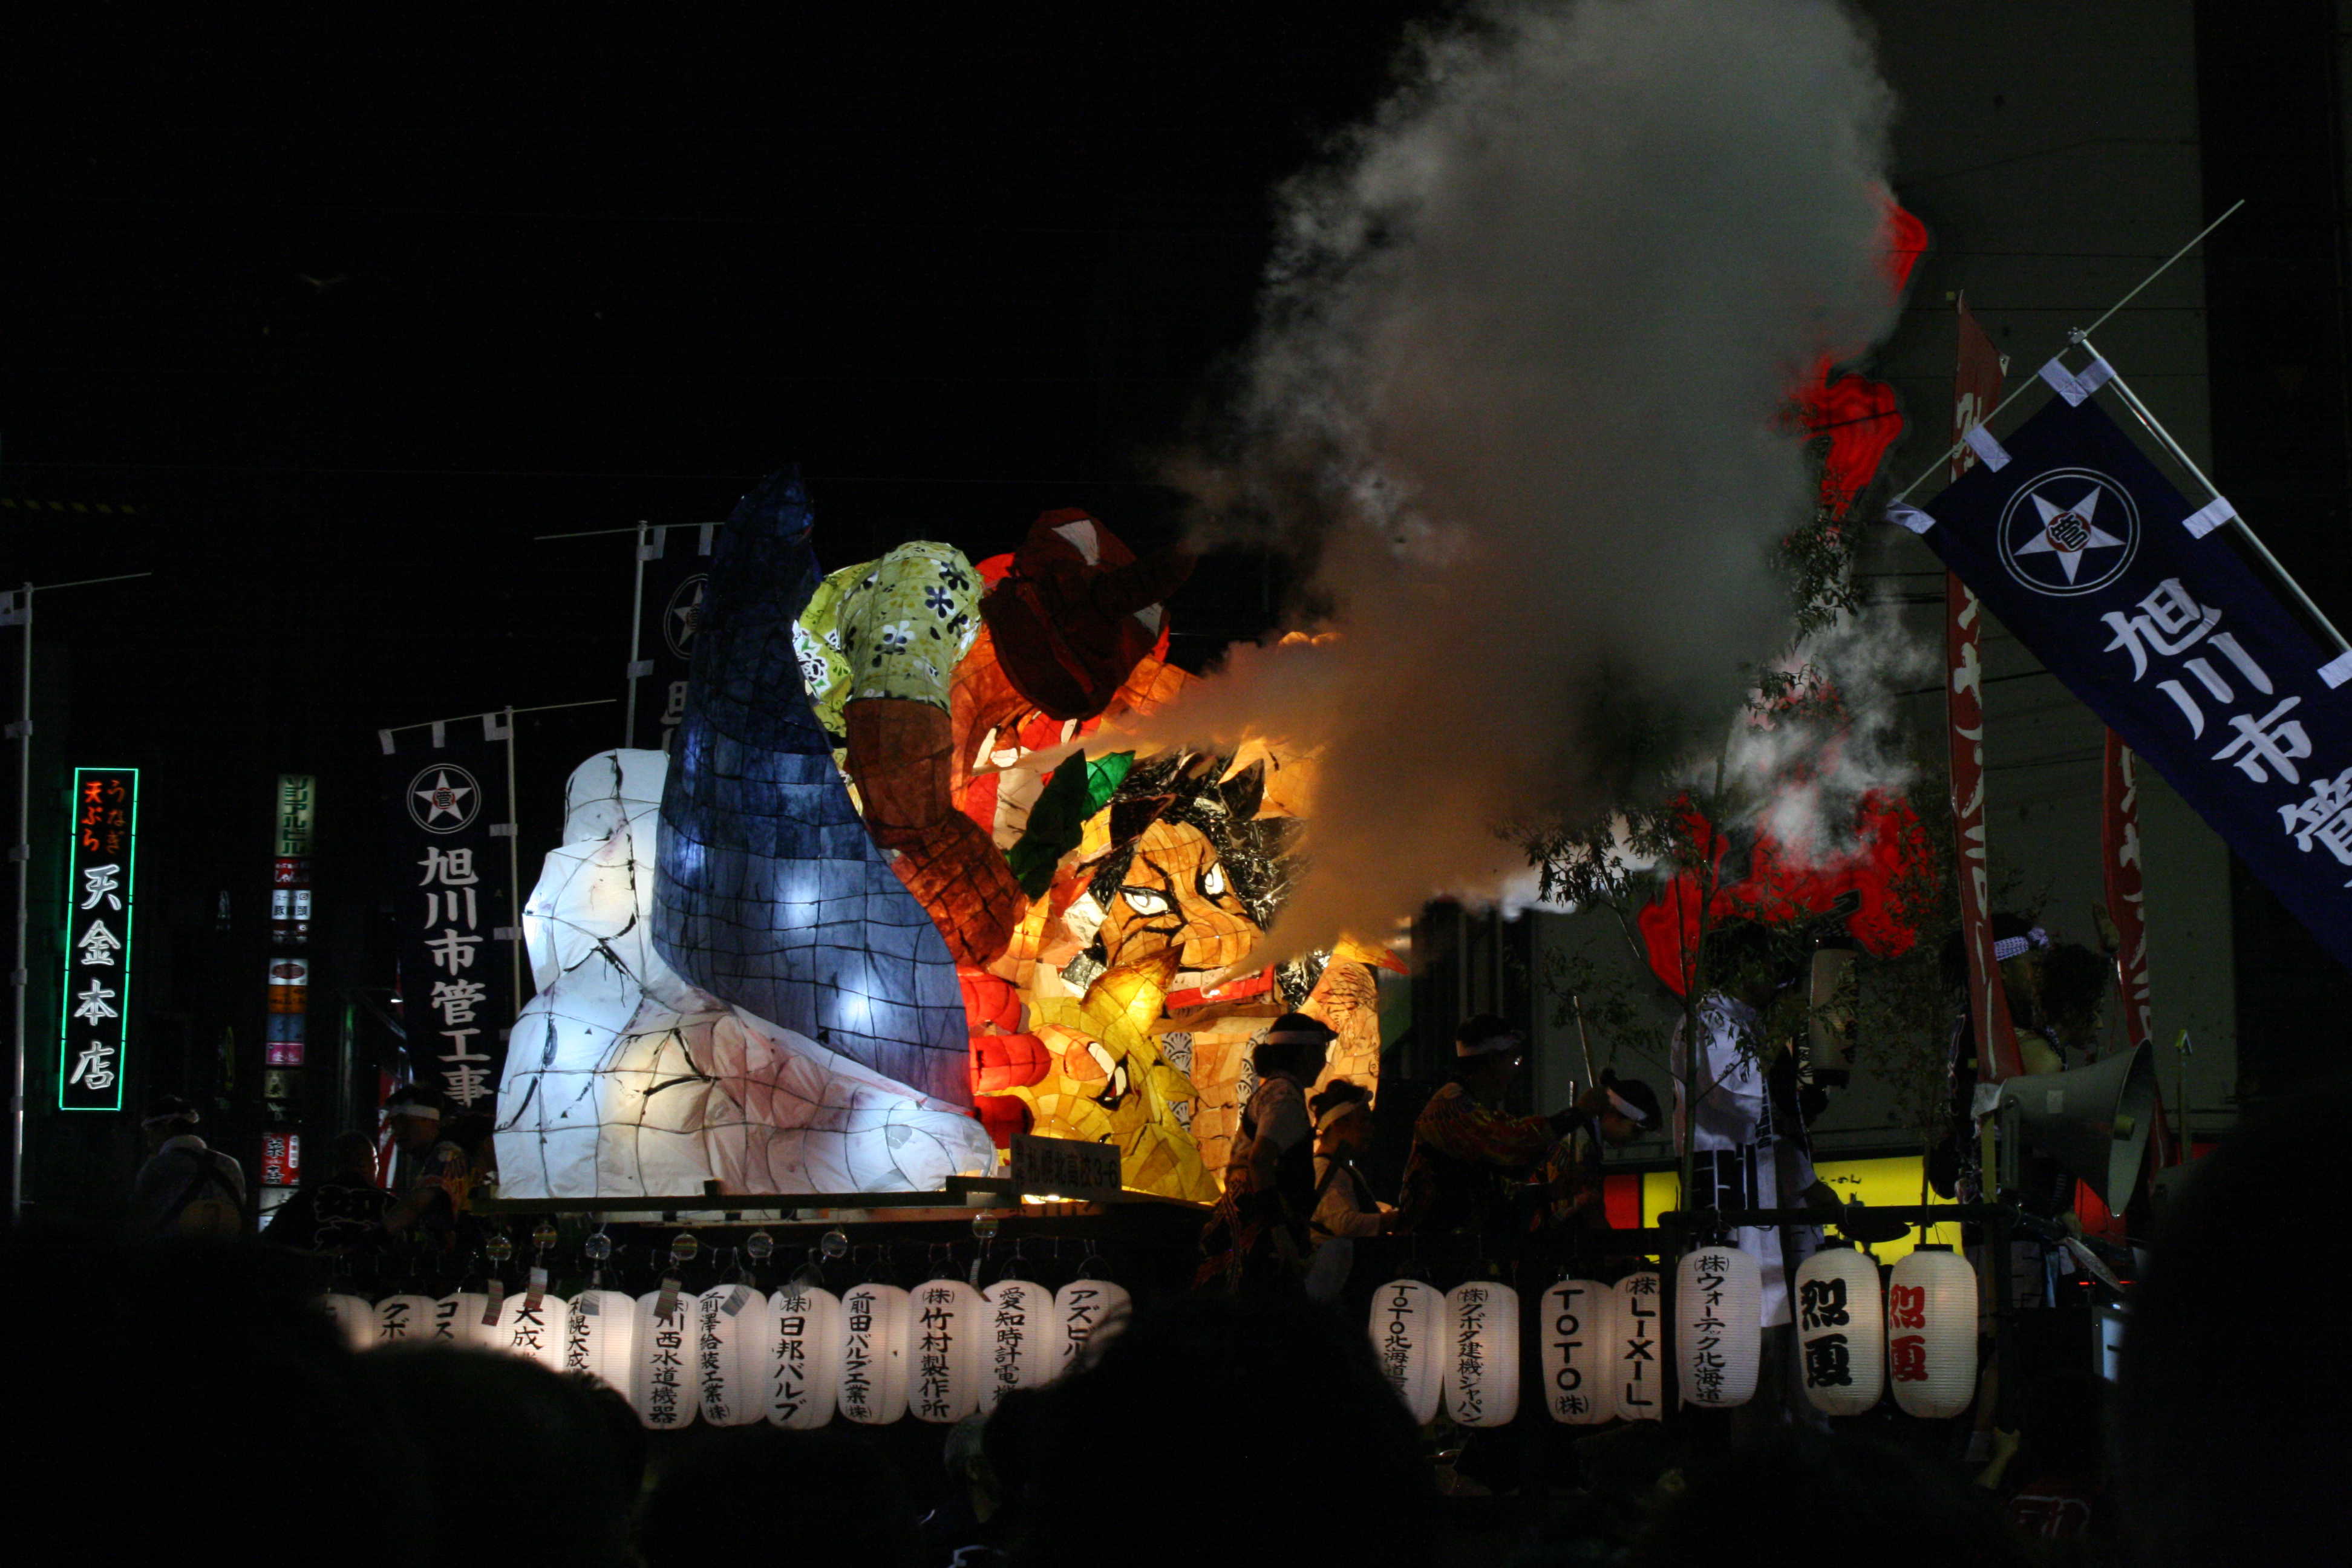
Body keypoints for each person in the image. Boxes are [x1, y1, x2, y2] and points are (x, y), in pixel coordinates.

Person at [1396, 1013, 1586, 1235]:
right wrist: (1578, 1114)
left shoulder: (1472, 1110)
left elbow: (1497, 1192)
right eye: (1514, 1061)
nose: (1516, 1071)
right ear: (1493, 1061)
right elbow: (1512, 1146)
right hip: (1435, 1246)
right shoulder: (1452, 1106)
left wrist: (1551, 1192)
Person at [1195, 1013, 1332, 1292]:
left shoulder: (1275, 1090)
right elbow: (1260, 1160)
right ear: (1307, 1054)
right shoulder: (1284, 1096)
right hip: (1260, 1230)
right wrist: (1278, 1230)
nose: (1323, 1062)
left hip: (1252, 1221)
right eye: (1321, 1051)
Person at [1534, 1068, 1661, 1235]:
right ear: (1612, 1114)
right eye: (1635, 1131)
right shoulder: (1581, 1145)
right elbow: (1587, 1211)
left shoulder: (1586, 1140)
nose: (1636, 1139)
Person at [1302, 1079, 1391, 1302]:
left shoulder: (1344, 1171)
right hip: (1336, 1291)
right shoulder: (1325, 1170)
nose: (1370, 1129)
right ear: (1339, 1125)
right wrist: (1394, 1220)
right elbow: (1344, 1224)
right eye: (1363, 1121)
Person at [128, 1094, 247, 1239]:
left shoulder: (159, 1165)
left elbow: (138, 1215)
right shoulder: (230, 1163)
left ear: (166, 1129)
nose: (149, 1141)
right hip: (226, 1248)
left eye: (150, 1132)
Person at [263, 1129, 394, 1252]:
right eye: (375, 1160)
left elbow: (268, 1245)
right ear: (363, 1165)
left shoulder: (301, 1202)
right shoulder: (392, 1208)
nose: (377, 1167)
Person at [381, 1086, 470, 1245]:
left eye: (406, 1123)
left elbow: (416, 1204)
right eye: (394, 1125)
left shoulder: (448, 1154)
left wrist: (376, 1235)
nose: (398, 1132)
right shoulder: (428, 1158)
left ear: (431, 1121)